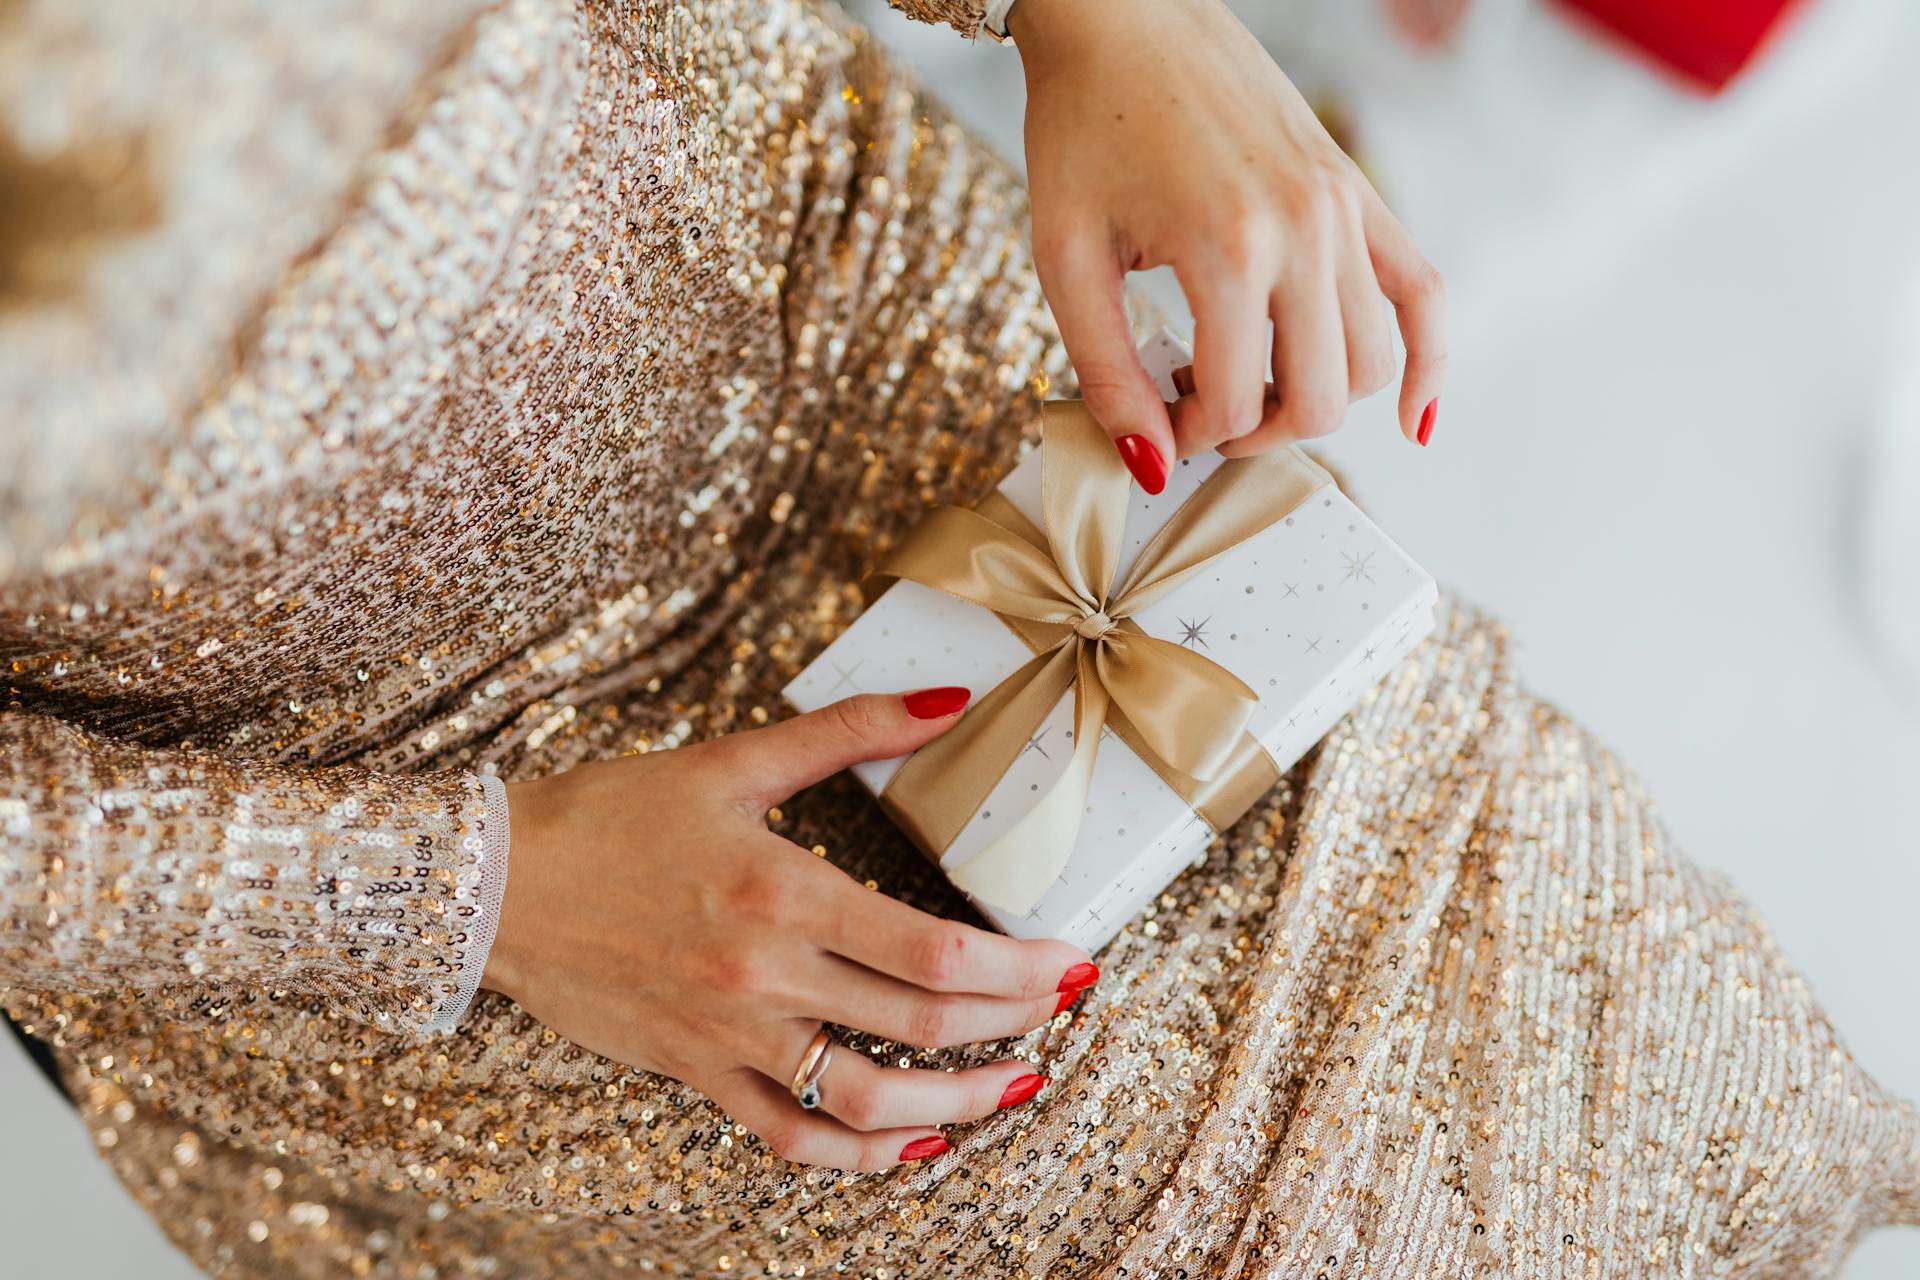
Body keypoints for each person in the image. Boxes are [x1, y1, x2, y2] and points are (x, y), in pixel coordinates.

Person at [0, 1, 1911, 1277]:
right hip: (381, 793)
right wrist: (463, 897)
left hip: (843, 307)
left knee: (1612, 1025)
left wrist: (1102, 12)